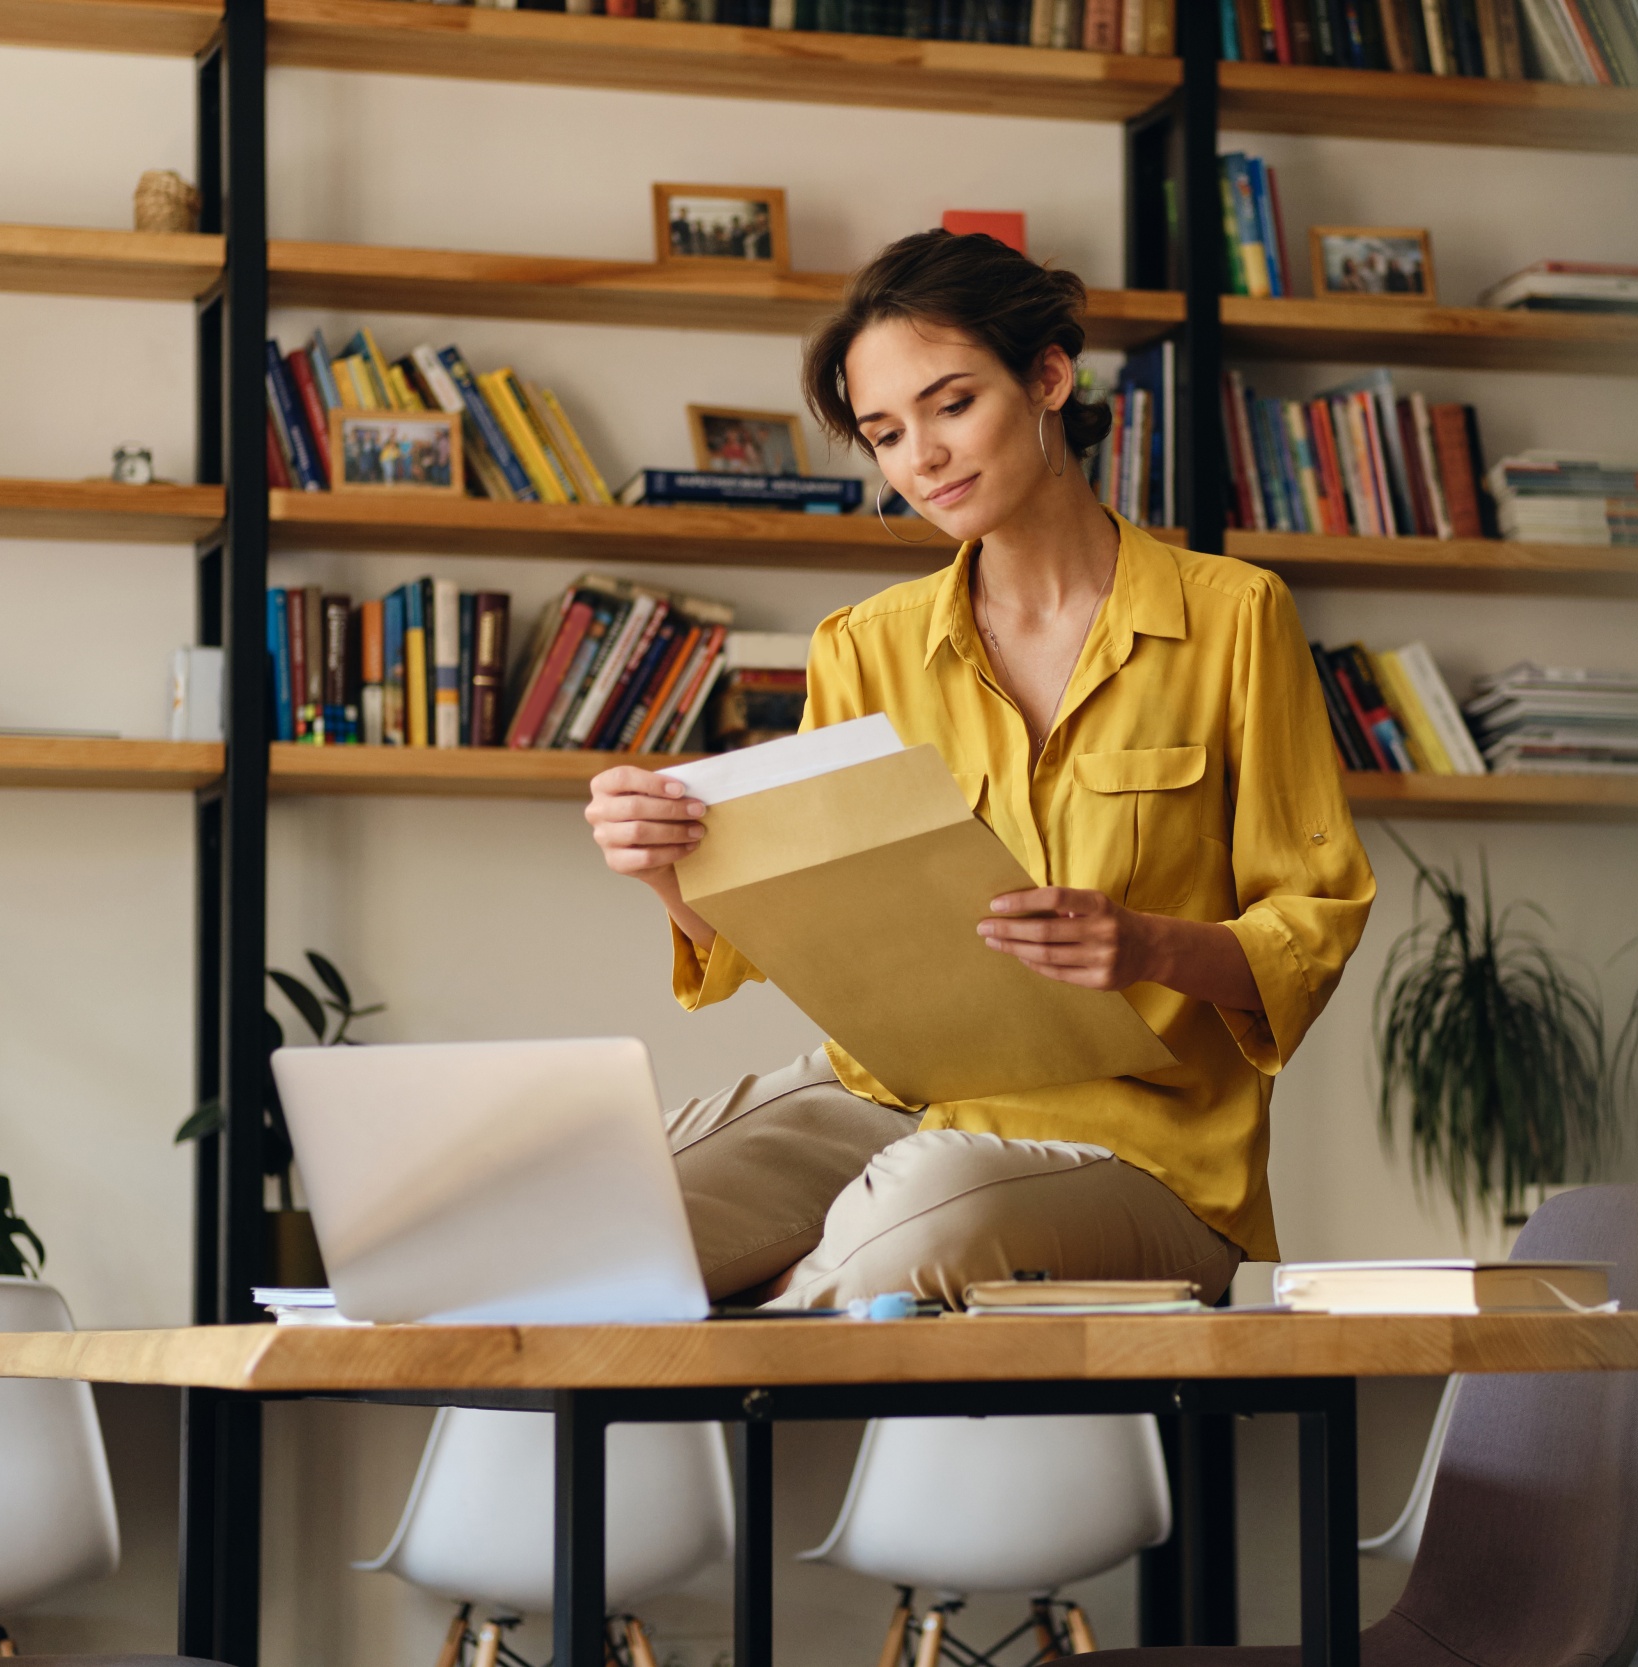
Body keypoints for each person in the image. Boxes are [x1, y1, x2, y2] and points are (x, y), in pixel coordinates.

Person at [583, 230, 1375, 1310]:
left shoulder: (1235, 618)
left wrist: (1143, 942)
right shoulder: (861, 645)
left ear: (1048, 375)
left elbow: (1313, 923)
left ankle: (773, 1336)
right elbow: (803, 929)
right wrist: (661, 867)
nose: (922, 458)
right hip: (890, 1100)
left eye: (951, 405)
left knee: (918, 1212)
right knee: (592, 1213)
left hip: (1146, 1151)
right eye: (886, 433)